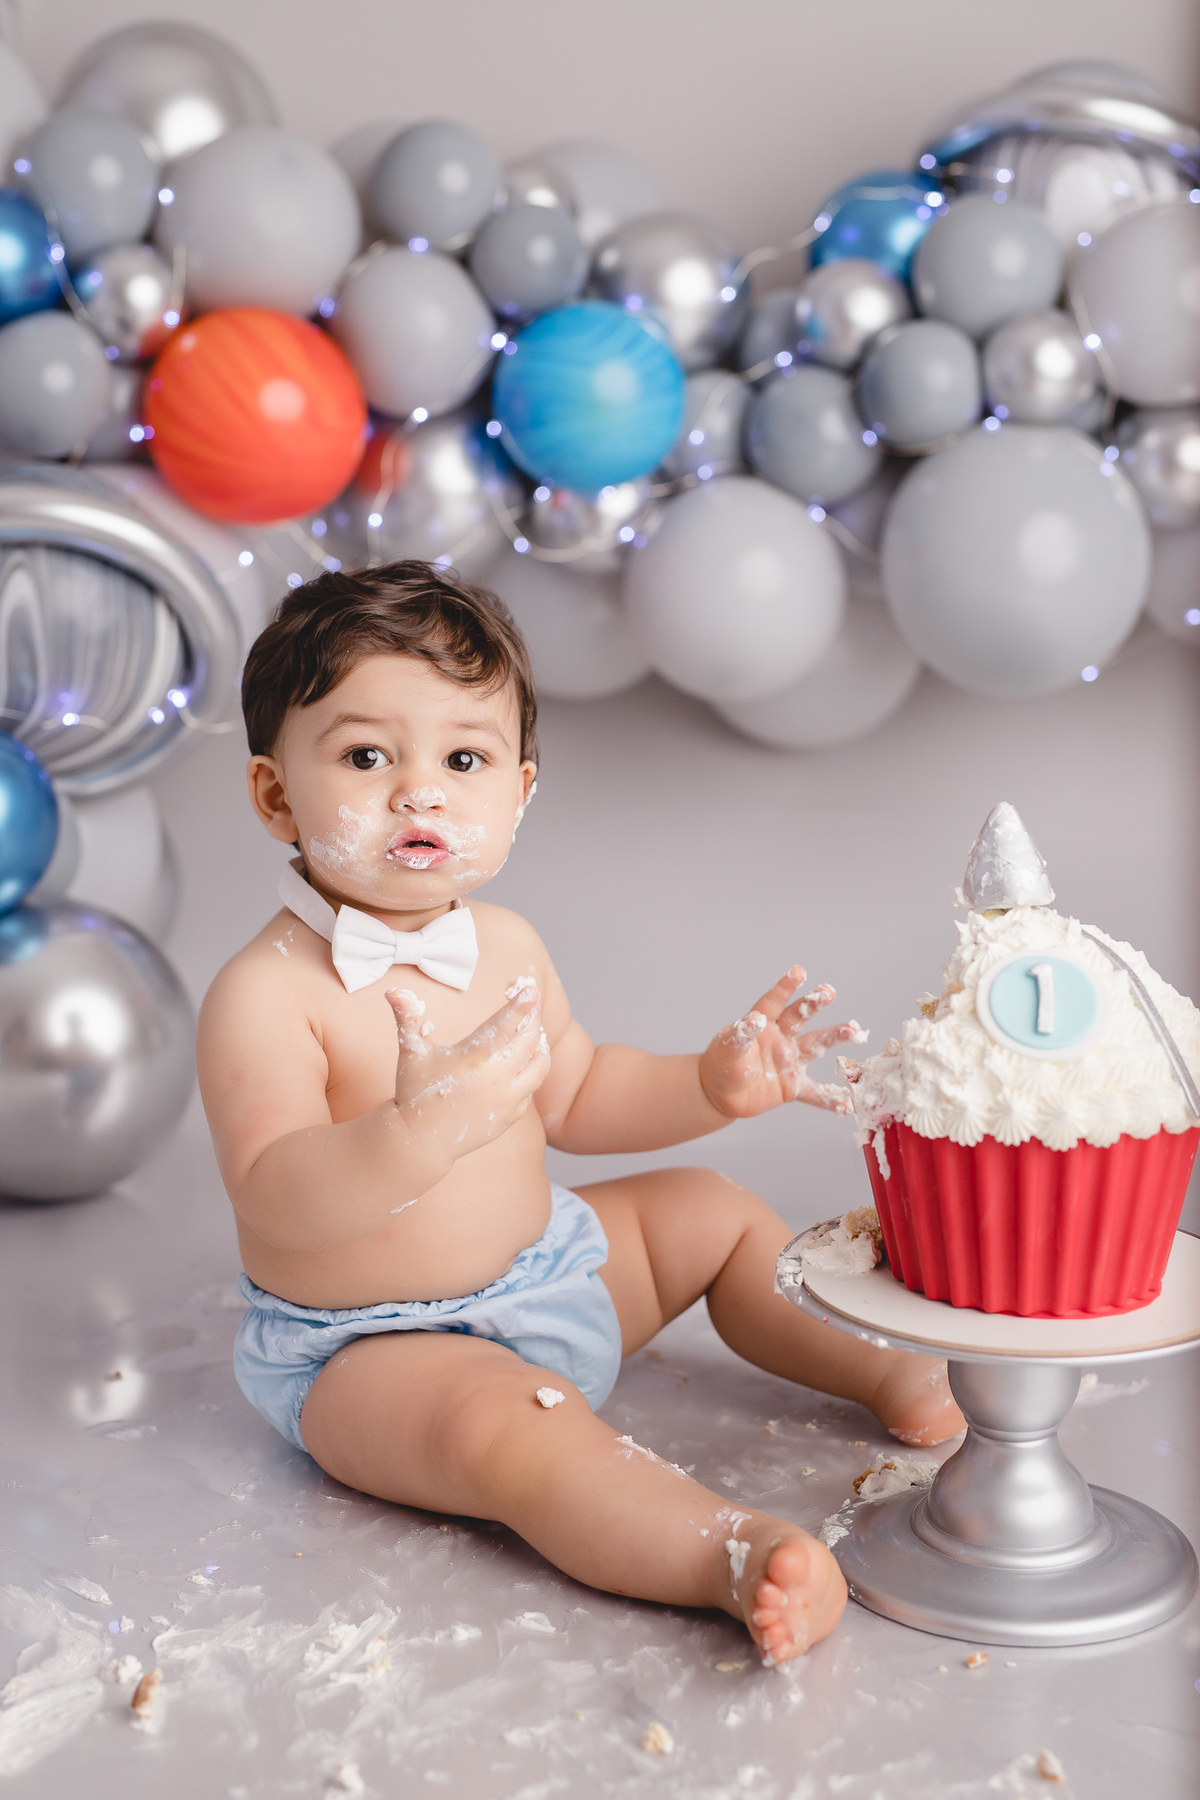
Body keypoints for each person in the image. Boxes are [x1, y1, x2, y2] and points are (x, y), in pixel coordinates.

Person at [198, 561, 963, 1668]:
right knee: (513, 1433)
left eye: (463, 759)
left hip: (549, 1275)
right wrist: (413, 1136)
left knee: (706, 1212)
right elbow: (276, 1192)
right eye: (368, 757)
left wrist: (709, 1087)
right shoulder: (266, 994)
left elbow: (581, 1093)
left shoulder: (505, 943)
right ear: (275, 795)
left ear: (519, 789)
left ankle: (888, 1369)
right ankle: (725, 1552)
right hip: (376, 1354)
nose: (421, 793)